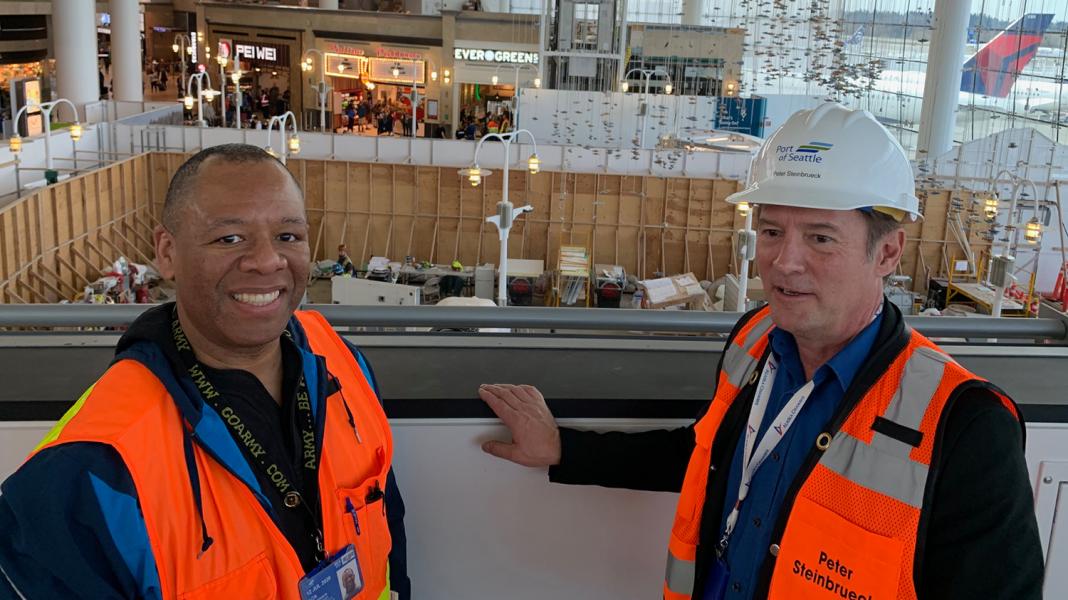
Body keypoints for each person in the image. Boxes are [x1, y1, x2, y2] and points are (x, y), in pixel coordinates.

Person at [478, 104, 1043, 599]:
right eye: (772, 232)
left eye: (820, 238)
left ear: (889, 252)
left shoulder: (963, 427)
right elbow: (707, 455)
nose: (784, 262)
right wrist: (564, 448)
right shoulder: (754, 341)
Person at [0, 144, 410, 599]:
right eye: (229, 238)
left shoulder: (344, 364)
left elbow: (387, 521)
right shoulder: (92, 471)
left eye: (288, 236)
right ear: (167, 253)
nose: (266, 260)